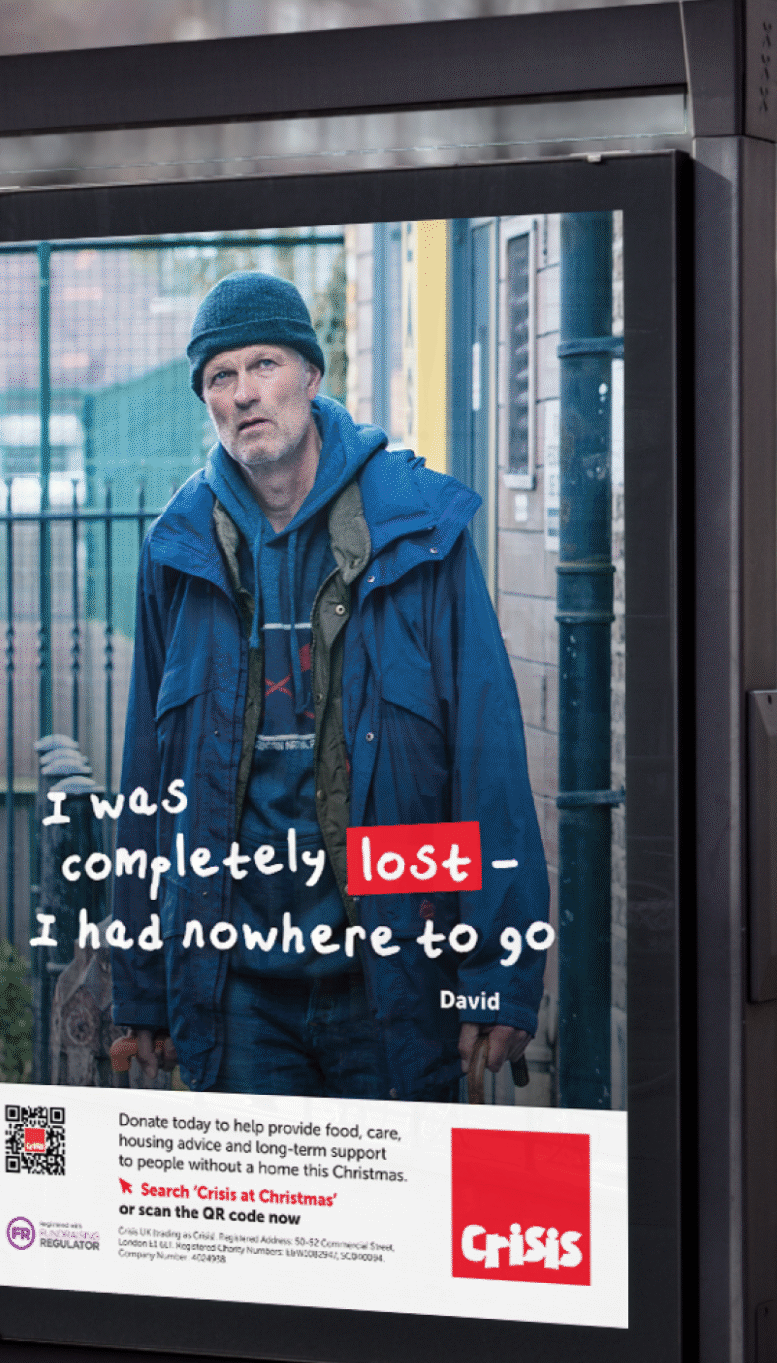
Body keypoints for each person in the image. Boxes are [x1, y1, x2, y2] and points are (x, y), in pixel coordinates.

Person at [107, 270, 549, 1104]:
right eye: (220, 377)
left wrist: (499, 969)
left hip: (389, 967)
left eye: (264, 364)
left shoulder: (416, 529)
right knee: (255, 1226)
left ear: (311, 376)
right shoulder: (179, 547)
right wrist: (142, 984)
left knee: (397, 1224)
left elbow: (486, 754)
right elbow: (148, 776)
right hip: (235, 979)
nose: (244, 393)